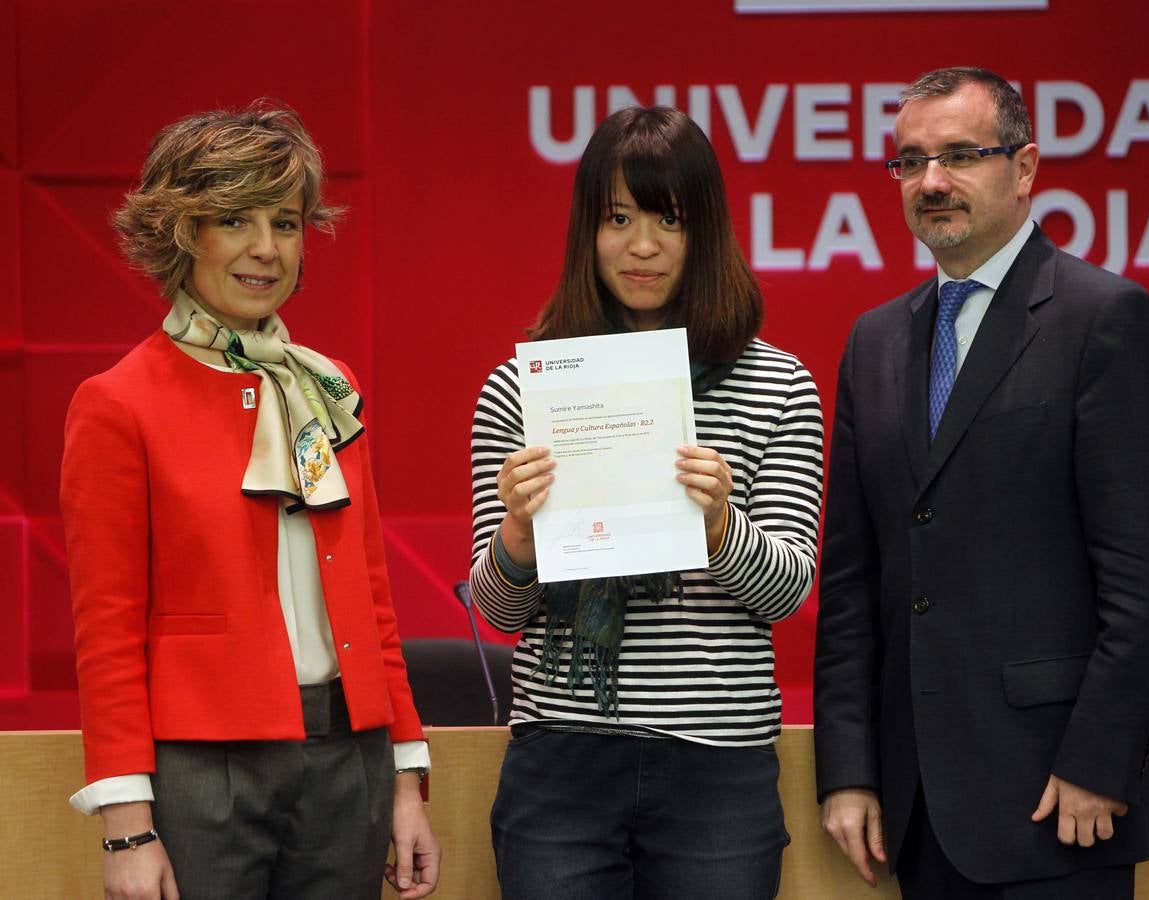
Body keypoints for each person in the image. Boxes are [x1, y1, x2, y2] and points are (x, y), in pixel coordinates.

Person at [813, 67, 1149, 898]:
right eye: (909, 162)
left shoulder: (1106, 320)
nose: (931, 182)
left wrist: (1101, 760)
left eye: (960, 155)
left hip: (1060, 801)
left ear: (1024, 168)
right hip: (913, 810)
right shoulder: (874, 342)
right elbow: (851, 582)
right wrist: (847, 769)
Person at [61, 101, 440, 900]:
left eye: (287, 222)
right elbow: (107, 628)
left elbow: (373, 596)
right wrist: (129, 826)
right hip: (204, 773)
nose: (266, 249)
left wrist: (405, 777)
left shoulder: (328, 387)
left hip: (350, 761)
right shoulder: (117, 402)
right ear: (180, 233)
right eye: (233, 219)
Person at [469, 105, 824, 899]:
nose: (642, 246)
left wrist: (721, 524)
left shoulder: (779, 385)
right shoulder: (523, 391)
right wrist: (519, 535)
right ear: (584, 233)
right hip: (561, 757)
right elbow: (497, 610)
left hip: (718, 762)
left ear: (706, 232)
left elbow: (789, 589)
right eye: (617, 218)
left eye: (669, 219)